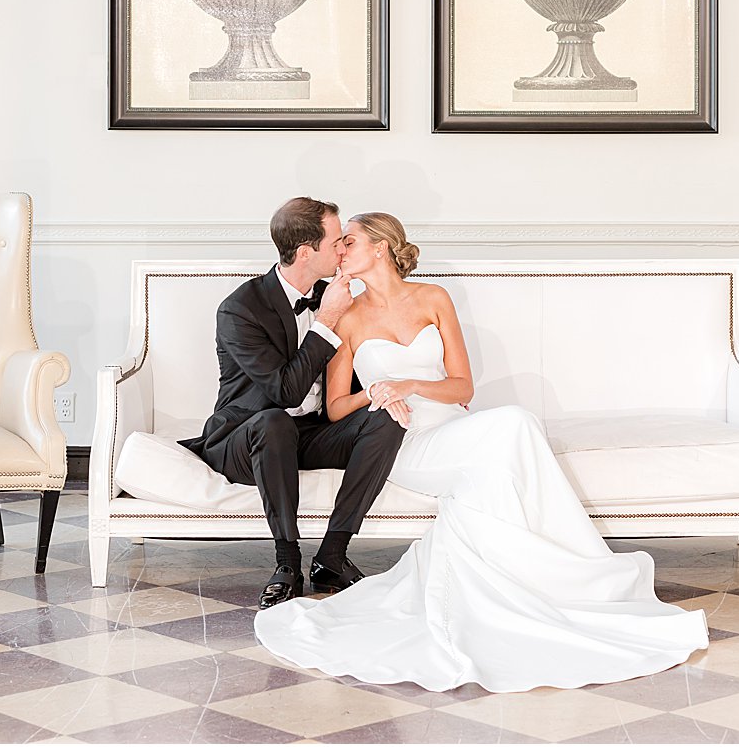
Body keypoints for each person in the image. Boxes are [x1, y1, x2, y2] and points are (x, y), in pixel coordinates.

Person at [253, 212, 709, 692]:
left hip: (453, 427)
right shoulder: (344, 315)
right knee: (514, 424)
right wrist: (380, 393)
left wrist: (411, 382)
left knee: (499, 457)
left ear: (382, 247)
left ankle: (548, 583)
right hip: (401, 440)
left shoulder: (433, 299)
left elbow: (462, 387)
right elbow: (337, 408)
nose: (340, 250)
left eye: (349, 241)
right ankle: (573, 570)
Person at [178, 198, 407, 609]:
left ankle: (332, 557)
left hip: (312, 432)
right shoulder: (240, 309)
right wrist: (325, 323)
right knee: (274, 422)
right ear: (306, 252)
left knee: (386, 420)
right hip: (245, 437)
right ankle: (287, 561)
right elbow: (285, 394)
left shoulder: (333, 296)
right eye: (337, 242)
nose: (342, 250)